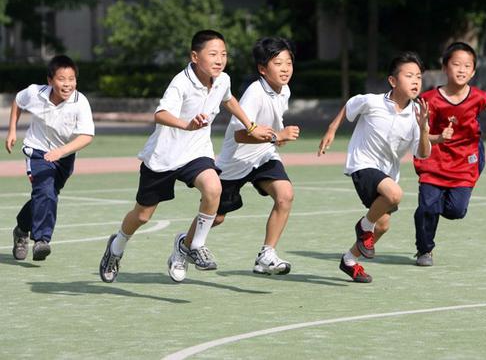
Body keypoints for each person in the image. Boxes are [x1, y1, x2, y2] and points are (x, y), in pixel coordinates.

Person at [99, 30, 273, 283]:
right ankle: (116, 246)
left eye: (223, 54)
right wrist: (186, 125)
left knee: (214, 188)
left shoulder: (222, 79)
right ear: (194, 56)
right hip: (164, 156)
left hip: (196, 153)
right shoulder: (181, 83)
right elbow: (160, 114)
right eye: (212, 54)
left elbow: (229, 100)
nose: (219, 59)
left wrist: (251, 124)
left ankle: (194, 245)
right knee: (143, 215)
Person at [318, 52, 431, 283]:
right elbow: (349, 106)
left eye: (418, 76)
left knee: (383, 226)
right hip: (363, 165)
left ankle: (349, 260)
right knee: (395, 195)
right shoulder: (372, 101)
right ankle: (363, 225)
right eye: (409, 75)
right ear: (392, 80)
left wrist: (424, 129)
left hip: (387, 174)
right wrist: (331, 129)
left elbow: (423, 153)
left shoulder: (417, 115)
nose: (415, 81)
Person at [413, 42, 486, 266]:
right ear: (445, 67)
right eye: (456, 64)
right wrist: (433, 134)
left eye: (467, 66)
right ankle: (424, 250)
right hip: (435, 160)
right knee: (428, 206)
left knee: (456, 211)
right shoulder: (430, 99)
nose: (461, 69)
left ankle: (437, 205)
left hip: (465, 160)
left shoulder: (477, 97)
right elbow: (420, 131)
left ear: (473, 71)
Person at [207, 37, 299, 276]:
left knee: (285, 195)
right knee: (215, 218)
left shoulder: (284, 90)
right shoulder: (254, 93)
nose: (285, 68)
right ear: (262, 69)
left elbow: (271, 132)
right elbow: (239, 135)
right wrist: (276, 136)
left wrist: (276, 140)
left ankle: (266, 255)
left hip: (264, 157)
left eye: (288, 62)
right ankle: (185, 243)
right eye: (278, 63)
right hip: (234, 163)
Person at [5, 55, 95, 261]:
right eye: (62, 79)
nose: (67, 84)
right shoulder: (35, 93)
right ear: (50, 80)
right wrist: (12, 131)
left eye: (71, 79)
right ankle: (41, 241)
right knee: (45, 190)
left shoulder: (80, 102)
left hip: (63, 156)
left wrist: (61, 152)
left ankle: (21, 230)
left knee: (48, 194)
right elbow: (18, 102)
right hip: (36, 150)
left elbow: (87, 136)